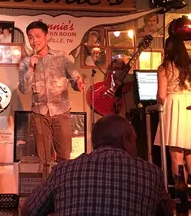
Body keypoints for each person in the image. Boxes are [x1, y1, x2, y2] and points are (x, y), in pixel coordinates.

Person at [22, 115, 173, 216]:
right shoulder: (152, 173)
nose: (136, 146)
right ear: (125, 139)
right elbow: (167, 213)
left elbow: (28, 211)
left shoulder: (63, 171)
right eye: (134, 140)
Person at [19, 21, 85, 171]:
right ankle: (46, 189)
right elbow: (23, 89)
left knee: (64, 156)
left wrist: (79, 85)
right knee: (43, 159)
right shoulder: (25, 62)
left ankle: (63, 189)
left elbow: (74, 79)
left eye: (38, 36)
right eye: (30, 37)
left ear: (47, 36)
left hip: (61, 112)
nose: (34, 40)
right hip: (39, 114)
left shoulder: (63, 57)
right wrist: (31, 67)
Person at [154, 35, 191, 184]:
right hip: (189, 105)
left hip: (174, 106)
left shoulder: (165, 67)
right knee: (189, 152)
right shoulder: (188, 67)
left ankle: (180, 196)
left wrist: (157, 102)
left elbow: (162, 95)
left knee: (176, 154)